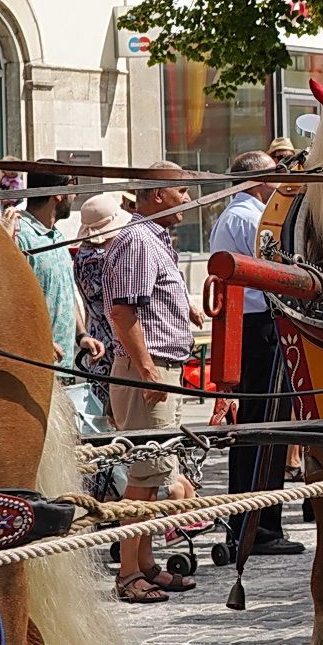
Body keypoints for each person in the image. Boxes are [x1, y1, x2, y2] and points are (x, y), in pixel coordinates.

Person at [104, 162, 203, 602]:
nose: (187, 199)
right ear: (157, 195)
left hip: (160, 368)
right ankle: (128, 575)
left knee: (155, 473)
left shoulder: (154, 240)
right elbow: (123, 313)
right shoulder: (139, 240)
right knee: (143, 479)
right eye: (181, 191)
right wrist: (148, 374)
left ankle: (145, 564)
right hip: (150, 371)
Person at [209, 152, 304, 556]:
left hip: (254, 324)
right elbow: (276, 271)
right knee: (264, 427)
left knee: (264, 426)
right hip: (260, 325)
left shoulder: (243, 214)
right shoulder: (250, 217)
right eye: (275, 173)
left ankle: (256, 523)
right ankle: (257, 527)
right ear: (258, 178)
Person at [11, 163, 106, 367]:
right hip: (35, 367)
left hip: (65, 366)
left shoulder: (58, 236)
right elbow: (12, 303)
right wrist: (39, 341)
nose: (75, 195)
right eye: (73, 185)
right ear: (58, 193)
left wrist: (81, 335)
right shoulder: (19, 237)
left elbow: (66, 294)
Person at [73, 192, 131, 419]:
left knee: (101, 414)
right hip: (115, 347)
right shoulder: (104, 260)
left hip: (97, 342)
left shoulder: (82, 256)